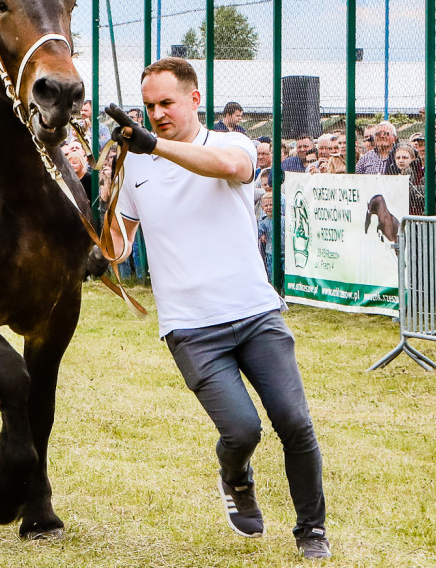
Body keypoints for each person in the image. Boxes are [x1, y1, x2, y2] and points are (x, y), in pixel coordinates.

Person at [105, 56, 330, 560]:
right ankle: (236, 474)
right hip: (189, 328)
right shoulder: (135, 163)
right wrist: (95, 216)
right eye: (148, 106)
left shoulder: (232, 143)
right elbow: (118, 244)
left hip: (255, 314)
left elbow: (231, 170)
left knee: (294, 421)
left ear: (194, 99)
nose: (157, 113)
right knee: (242, 429)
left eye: (166, 102)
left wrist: (152, 144)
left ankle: (310, 529)